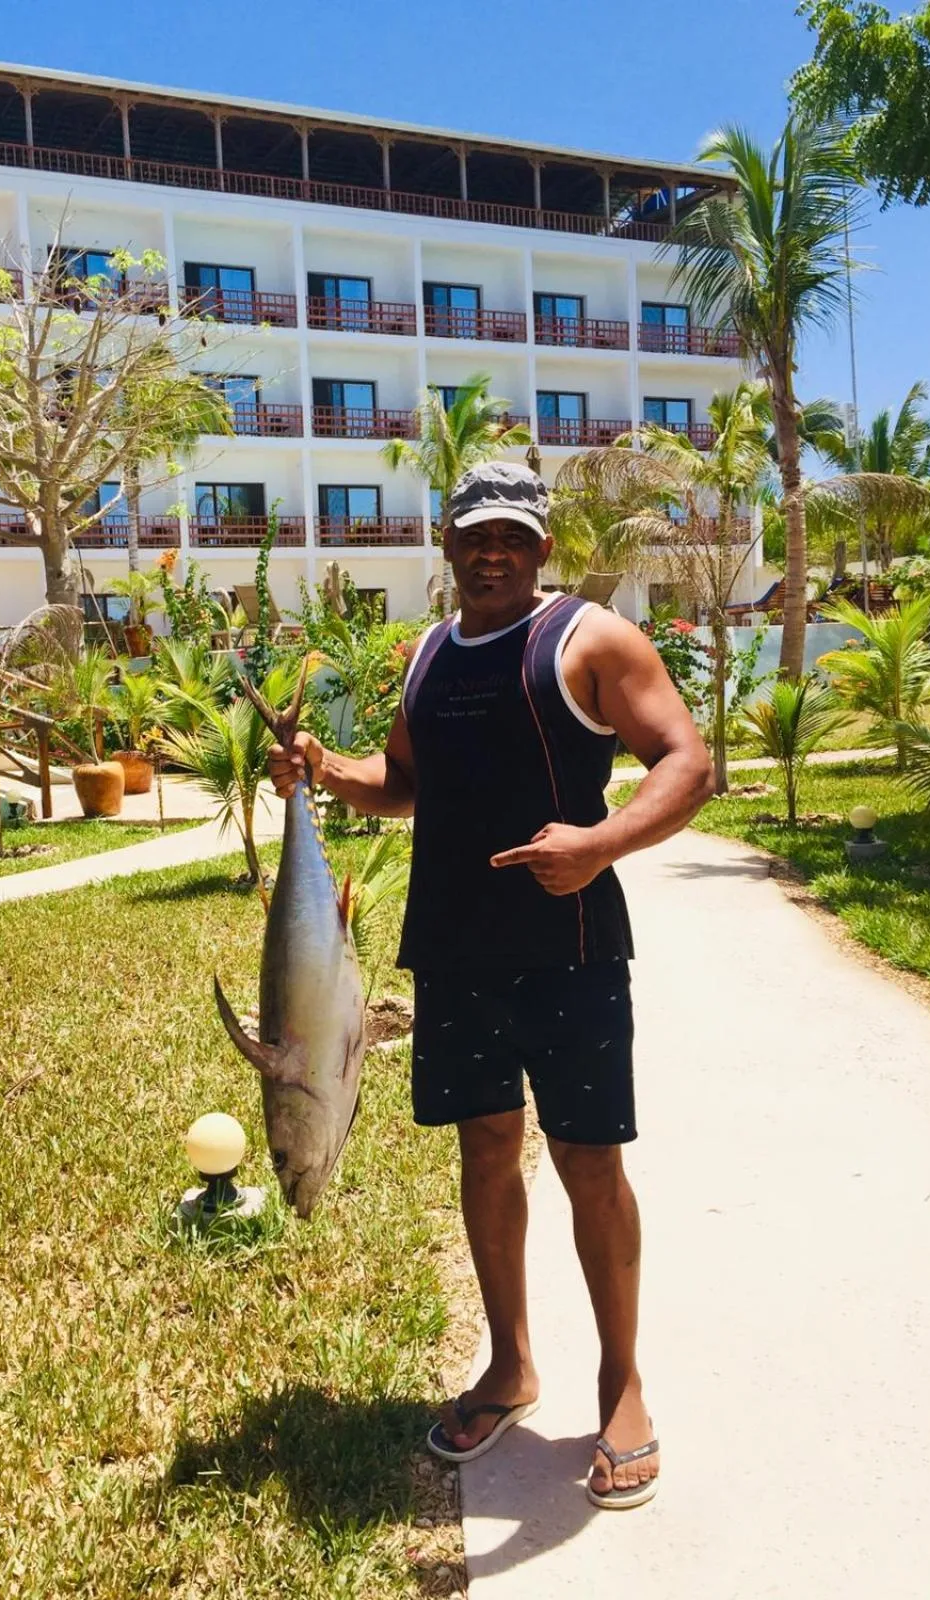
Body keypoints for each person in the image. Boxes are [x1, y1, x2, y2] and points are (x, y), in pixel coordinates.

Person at [268, 461, 713, 1509]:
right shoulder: (428, 653)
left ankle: (621, 1384)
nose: (493, 551)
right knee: (485, 1148)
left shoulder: (588, 639)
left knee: (589, 1164)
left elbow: (687, 761)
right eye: (476, 535)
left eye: (512, 534)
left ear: (542, 545)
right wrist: (329, 773)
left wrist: (601, 843)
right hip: (457, 952)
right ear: (450, 543)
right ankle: (511, 1363)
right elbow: (410, 786)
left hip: (570, 946)